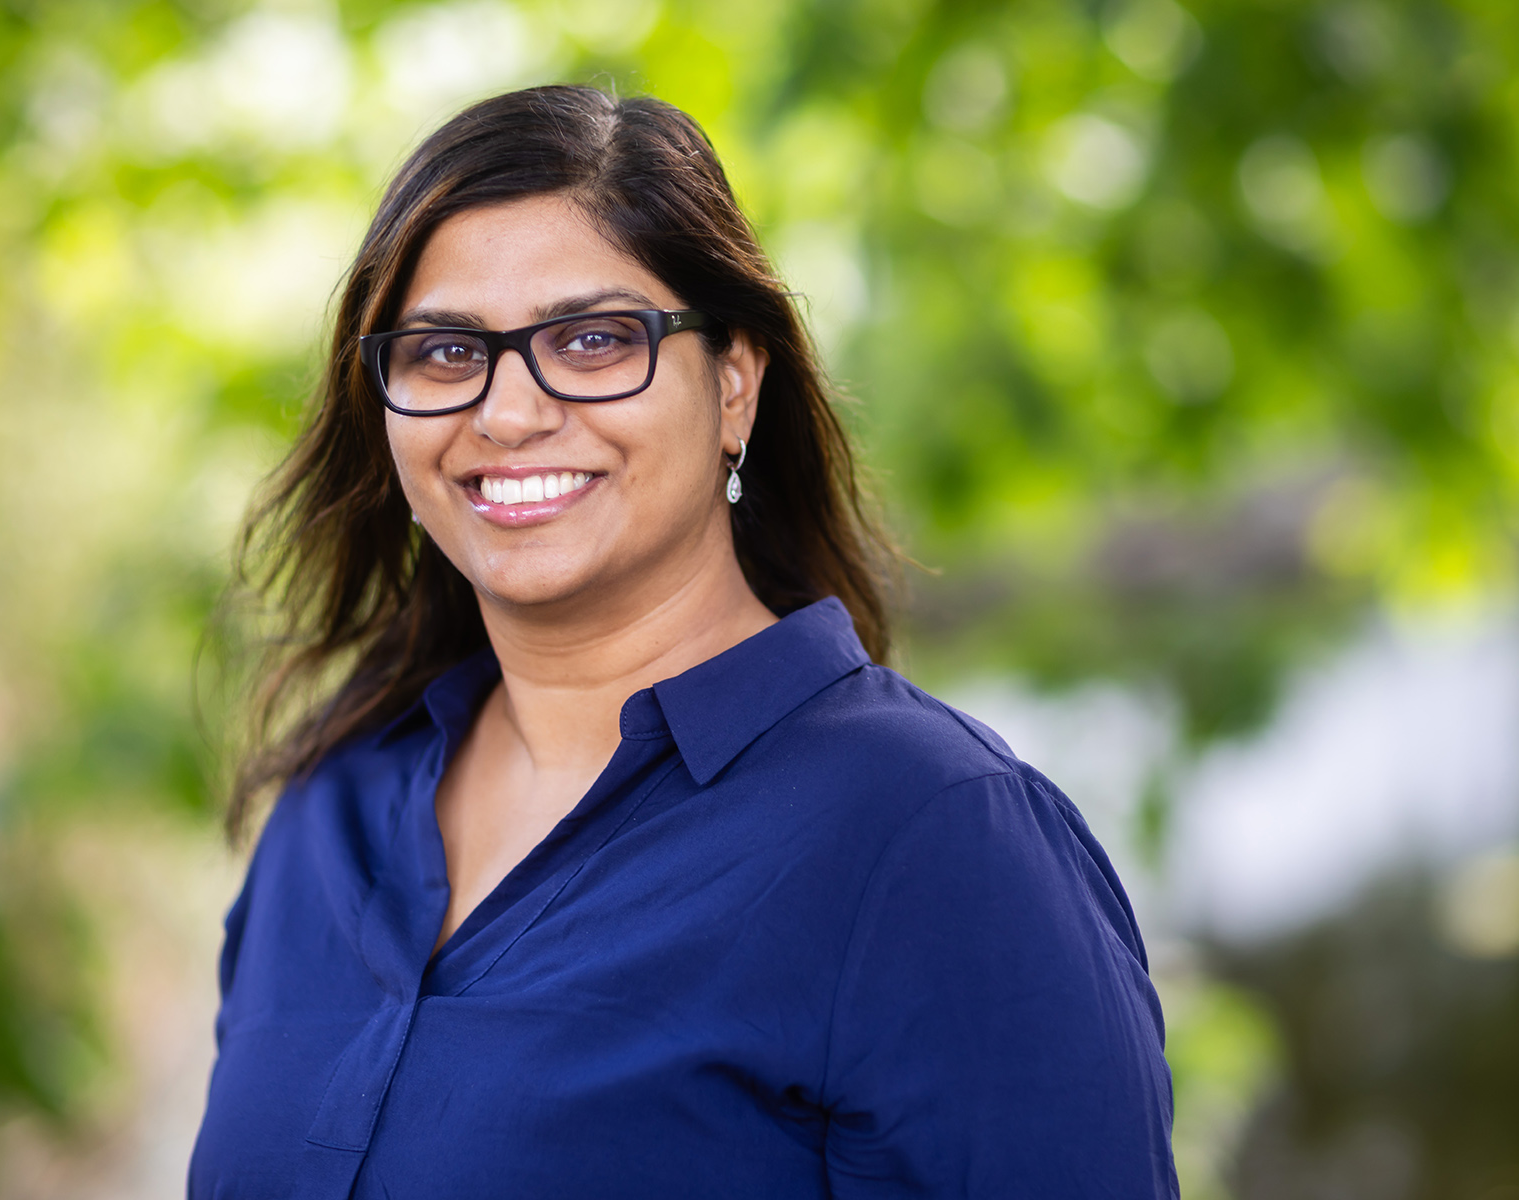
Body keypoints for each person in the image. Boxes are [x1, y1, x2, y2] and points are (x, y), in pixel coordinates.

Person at [189, 85, 1176, 1200]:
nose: (507, 413)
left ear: (734, 387)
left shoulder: (933, 839)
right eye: (443, 353)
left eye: (594, 339)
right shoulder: (332, 815)